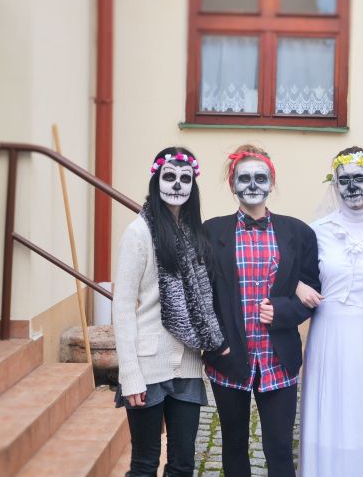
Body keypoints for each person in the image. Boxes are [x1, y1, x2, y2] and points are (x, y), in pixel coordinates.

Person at [202, 144, 321, 477]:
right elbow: (201, 294)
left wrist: (282, 310)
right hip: (230, 357)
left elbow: (312, 292)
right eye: (244, 178)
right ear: (232, 184)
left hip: (277, 358)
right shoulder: (211, 232)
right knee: (234, 444)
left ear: (272, 182)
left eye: (261, 177)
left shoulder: (298, 233)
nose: (253, 184)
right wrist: (215, 343)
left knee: (280, 448)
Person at [113, 147, 224, 477]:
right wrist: (129, 374)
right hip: (148, 366)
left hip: (187, 365)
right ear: (156, 180)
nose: (177, 184)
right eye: (169, 176)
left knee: (182, 464)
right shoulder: (139, 232)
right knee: (145, 464)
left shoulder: (194, 234)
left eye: (185, 178)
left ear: (193, 185)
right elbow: (123, 306)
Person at [297, 146, 363, 477]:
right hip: (329, 337)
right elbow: (291, 273)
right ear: (334, 183)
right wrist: (297, 286)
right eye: (344, 180)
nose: (352, 186)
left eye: (360, 178)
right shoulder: (317, 231)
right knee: (330, 411)